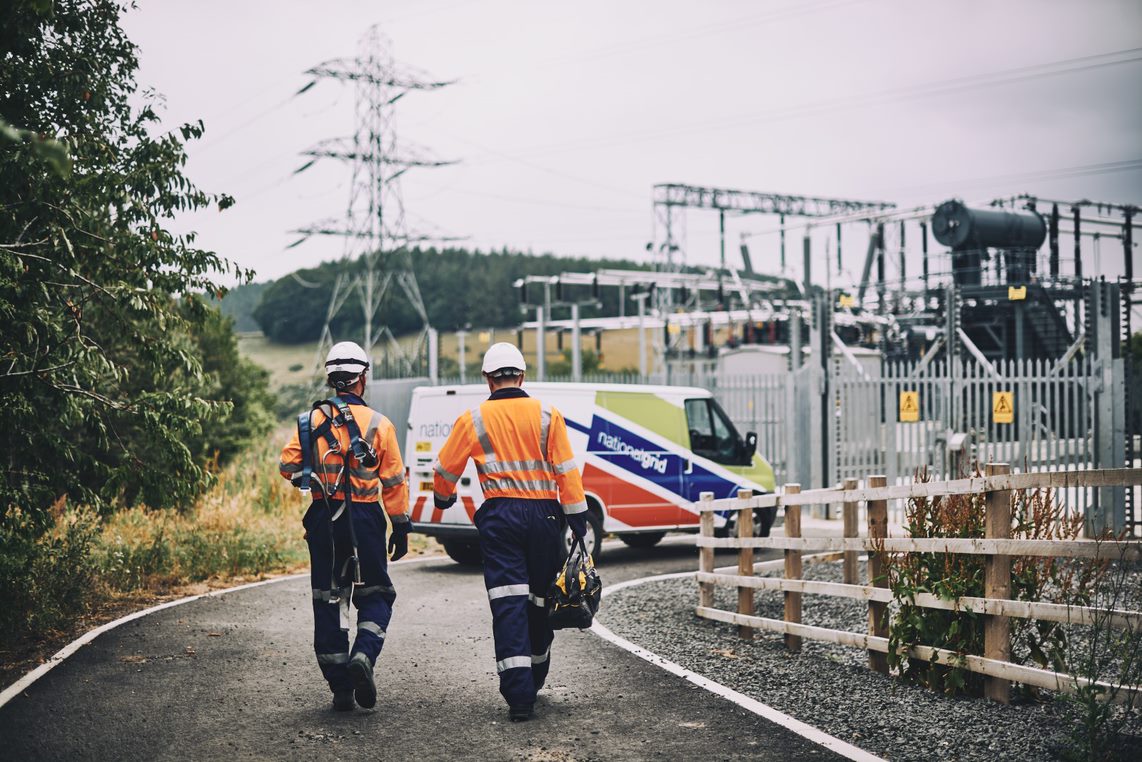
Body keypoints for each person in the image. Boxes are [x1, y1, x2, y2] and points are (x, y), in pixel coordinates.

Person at [432, 342, 588, 722]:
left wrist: (442, 499)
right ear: (521, 375)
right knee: (540, 599)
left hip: (500, 516)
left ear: (488, 379)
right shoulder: (549, 415)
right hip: (545, 518)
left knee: (507, 603)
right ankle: (536, 675)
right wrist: (578, 520)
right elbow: (566, 471)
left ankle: (519, 696)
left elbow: (444, 471)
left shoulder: (473, 419)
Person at [278, 341, 411, 712]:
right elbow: (394, 481)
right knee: (377, 593)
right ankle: (364, 656)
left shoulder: (309, 422)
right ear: (362, 378)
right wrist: (399, 525)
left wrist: (312, 472)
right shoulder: (380, 425)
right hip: (366, 519)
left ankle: (340, 687)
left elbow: (288, 467)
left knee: (329, 596)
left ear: (332, 379)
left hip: (324, 518)